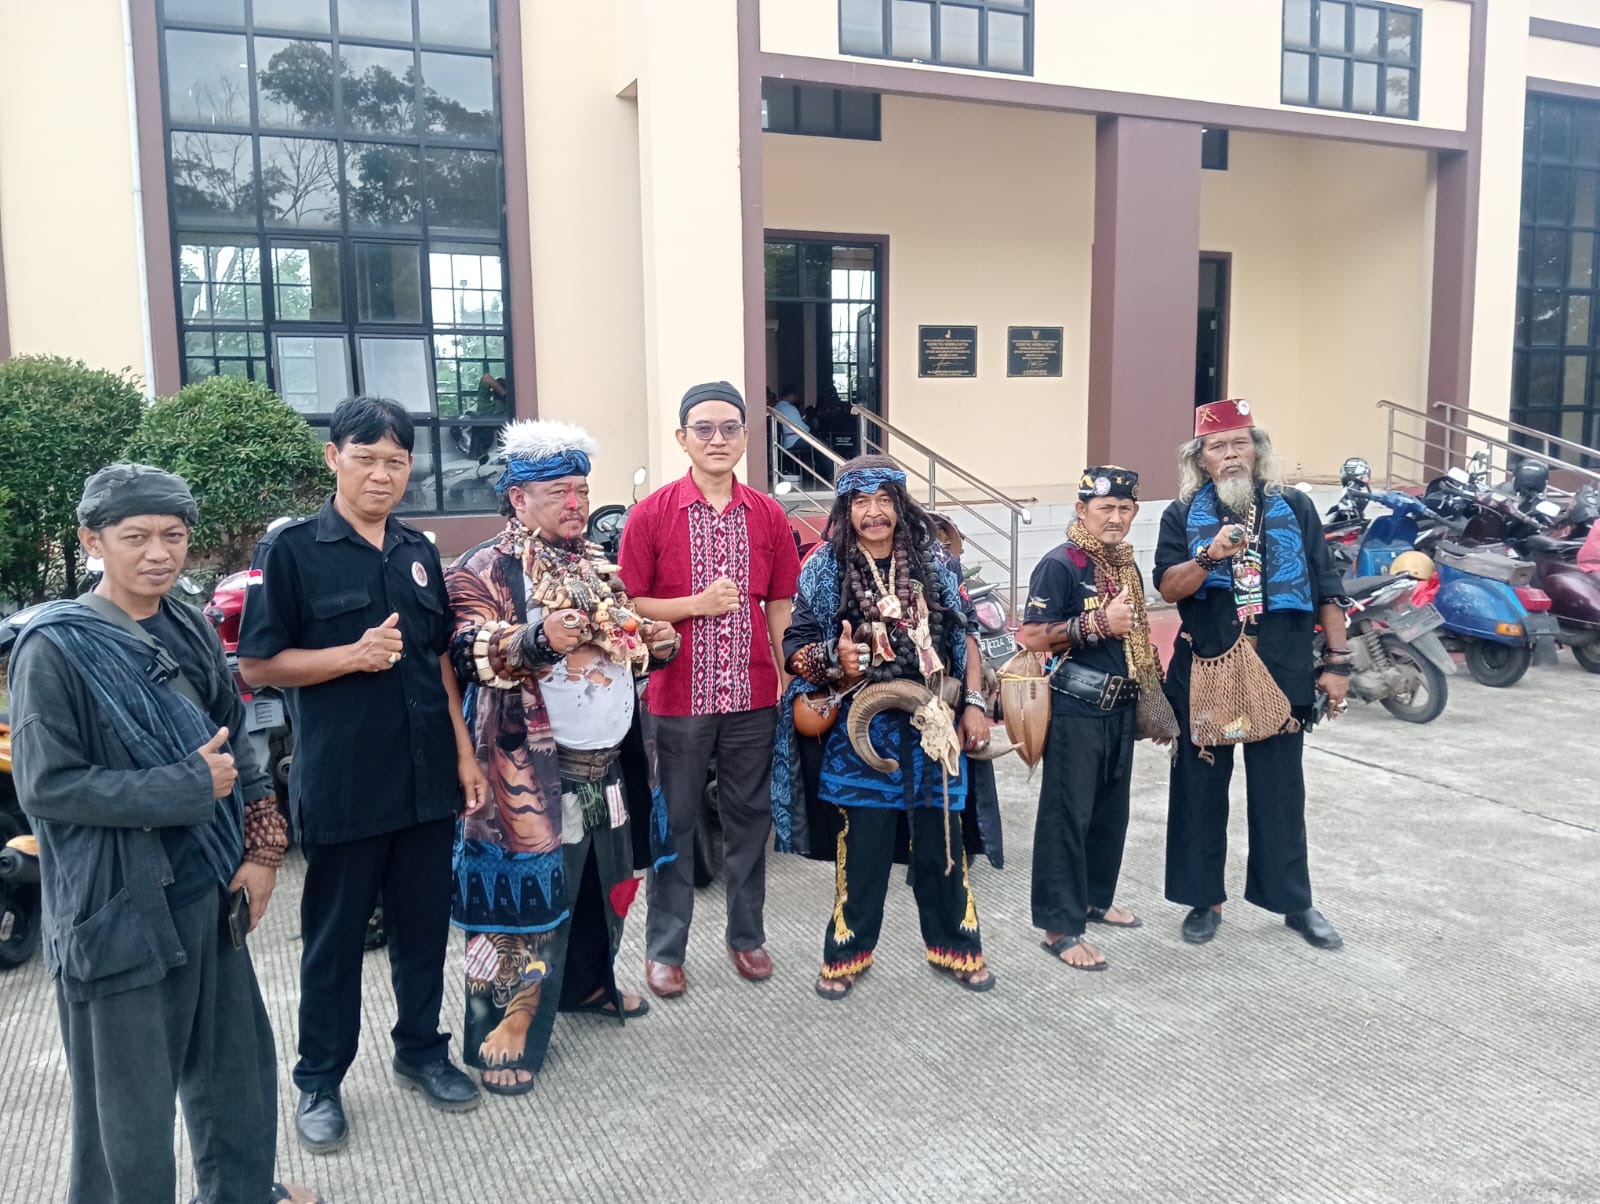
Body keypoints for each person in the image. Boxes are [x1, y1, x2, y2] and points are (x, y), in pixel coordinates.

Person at [9, 464, 318, 1204]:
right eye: (136, 536)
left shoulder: (185, 623)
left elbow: (236, 739)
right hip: (116, 907)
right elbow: (45, 787)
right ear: (93, 541)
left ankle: (242, 1193)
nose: (159, 553)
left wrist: (262, 847)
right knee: (128, 1108)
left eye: (173, 536)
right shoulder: (54, 647)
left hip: (207, 885)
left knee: (235, 1067)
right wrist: (183, 787)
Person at [238, 396, 487, 1152]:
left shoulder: (416, 549)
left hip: (425, 780)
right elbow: (257, 665)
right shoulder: (291, 551)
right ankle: (320, 1080)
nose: (382, 474)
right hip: (346, 784)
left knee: (423, 931)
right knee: (335, 942)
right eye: (366, 458)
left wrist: (464, 753)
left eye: (396, 461)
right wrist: (350, 656)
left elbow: (437, 660)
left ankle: (421, 1050)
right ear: (334, 458)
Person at [445, 419, 679, 1096]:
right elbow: (469, 652)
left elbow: (620, 645)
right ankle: (504, 1032)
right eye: (558, 492)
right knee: (523, 905)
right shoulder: (483, 568)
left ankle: (587, 986)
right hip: (528, 774)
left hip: (610, 764)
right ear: (518, 498)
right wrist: (538, 637)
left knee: (607, 886)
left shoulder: (594, 563)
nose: (575, 504)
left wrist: (652, 643)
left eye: (581, 490)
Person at [778, 456, 996, 1000]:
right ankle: (846, 954)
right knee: (863, 855)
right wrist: (833, 659)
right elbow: (794, 648)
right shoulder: (823, 567)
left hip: (934, 728)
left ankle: (957, 948)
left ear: (900, 505)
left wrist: (974, 704)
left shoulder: (935, 561)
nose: (873, 512)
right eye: (860, 502)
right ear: (845, 509)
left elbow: (967, 635)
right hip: (862, 736)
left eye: (883, 500)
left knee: (944, 849)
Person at [620, 381, 802, 998]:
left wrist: (786, 674)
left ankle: (746, 936)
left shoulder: (769, 515)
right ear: (683, 437)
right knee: (674, 822)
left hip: (752, 695)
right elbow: (629, 603)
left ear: (746, 436)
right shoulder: (652, 514)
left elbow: (780, 603)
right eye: (704, 428)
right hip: (678, 698)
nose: (717, 439)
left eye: (729, 428)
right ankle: (665, 948)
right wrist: (694, 605)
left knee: (750, 820)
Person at [1154, 399, 1349, 950]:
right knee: (1198, 789)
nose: (1231, 454)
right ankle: (1203, 900)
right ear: (1201, 458)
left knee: (1281, 791)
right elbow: (1167, 587)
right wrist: (1209, 557)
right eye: (1218, 446)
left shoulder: (1295, 507)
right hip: (1208, 667)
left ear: (1257, 450)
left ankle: (1293, 901)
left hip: (1282, 667)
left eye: (1240, 443)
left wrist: (1337, 663)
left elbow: (1327, 584)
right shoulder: (1181, 515)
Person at [1018, 466, 1176, 971]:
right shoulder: (1060, 563)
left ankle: (1094, 900)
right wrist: (1097, 623)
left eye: (1125, 509)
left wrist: (1153, 704)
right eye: (1105, 508)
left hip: (1120, 709)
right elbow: (1032, 635)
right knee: (1067, 818)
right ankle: (1059, 927)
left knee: (1110, 814)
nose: (1115, 517)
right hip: (1074, 710)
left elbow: (1137, 640)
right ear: (1081, 510)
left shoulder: (1123, 563)